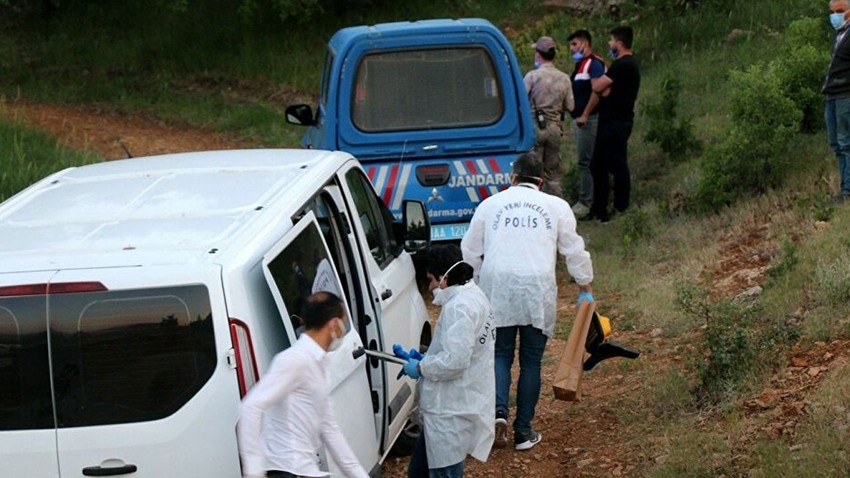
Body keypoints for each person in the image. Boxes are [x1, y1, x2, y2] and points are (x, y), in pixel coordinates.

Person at [460, 152, 593, 451]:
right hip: (537, 287)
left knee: (500, 355)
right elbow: (574, 250)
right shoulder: (556, 206)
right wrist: (585, 285)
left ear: (513, 178)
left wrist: (478, 280)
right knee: (531, 361)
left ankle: (497, 414)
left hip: (498, 287)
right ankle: (523, 433)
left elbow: (469, 250)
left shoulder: (490, 205)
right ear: (542, 182)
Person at [237, 291, 369, 478]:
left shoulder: (318, 363)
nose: (343, 328)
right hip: (286, 470)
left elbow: (329, 428)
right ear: (333, 323)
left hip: (303, 470)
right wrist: (254, 471)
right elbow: (251, 406)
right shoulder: (294, 360)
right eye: (343, 321)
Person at [400, 243, 495, 478]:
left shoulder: (459, 308)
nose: (430, 286)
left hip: (450, 412)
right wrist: (426, 357)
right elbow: (461, 349)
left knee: (445, 471)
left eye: (431, 280)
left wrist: (421, 366)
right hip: (456, 403)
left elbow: (455, 361)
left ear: (444, 278)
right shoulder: (472, 295)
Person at [589, 25, 641, 223]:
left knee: (614, 164)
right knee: (601, 165)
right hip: (616, 121)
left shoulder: (622, 65)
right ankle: (601, 208)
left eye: (611, 40)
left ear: (619, 43)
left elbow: (597, 86)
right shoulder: (627, 65)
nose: (609, 44)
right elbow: (605, 89)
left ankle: (619, 206)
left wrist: (603, 87)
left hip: (615, 123)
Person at [524, 35, 575, 198]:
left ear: (538, 54)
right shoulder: (564, 78)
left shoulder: (532, 76)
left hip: (535, 128)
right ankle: (557, 207)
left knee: (533, 173)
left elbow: (521, 101)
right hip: (554, 128)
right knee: (553, 174)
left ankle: (533, 206)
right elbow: (571, 106)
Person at [568, 29, 607, 219]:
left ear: (585, 43)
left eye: (574, 44)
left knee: (586, 161)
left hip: (589, 121)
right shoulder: (580, 66)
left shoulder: (594, 64)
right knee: (585, 161)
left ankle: (586, 202)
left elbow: (597, 90)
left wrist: (585, 114)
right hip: (580, 120)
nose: (572, 49)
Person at [824, 0, 850, 203]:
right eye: (833, 12)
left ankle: (847, 191)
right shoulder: (838, 35)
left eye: (840, 11)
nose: (835, 16)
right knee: (836, 143)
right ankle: (844, 189)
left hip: (845, 94)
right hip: (832, 94)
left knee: (845, 142)